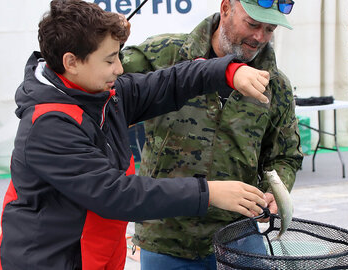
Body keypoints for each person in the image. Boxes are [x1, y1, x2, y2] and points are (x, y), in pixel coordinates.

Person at [0, 0, 274, 269]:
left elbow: (170, 82)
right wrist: (208, 192)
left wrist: (228, 71)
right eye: (109, 60)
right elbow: (116, 194)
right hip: (52, 259)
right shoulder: (48, 125)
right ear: (71, 62)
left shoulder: (104, 95)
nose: (119, 68)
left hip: (98, 251)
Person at [122, 0, 304, 268]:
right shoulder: (163, 55)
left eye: (269, 29)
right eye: (252, 24)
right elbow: (97, 82)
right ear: (226, 7)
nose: (259, 37)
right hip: (166, 236)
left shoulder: (275, 84)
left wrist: (274, 192)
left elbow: (285, 155)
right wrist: (105, 40)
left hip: (238, 235)